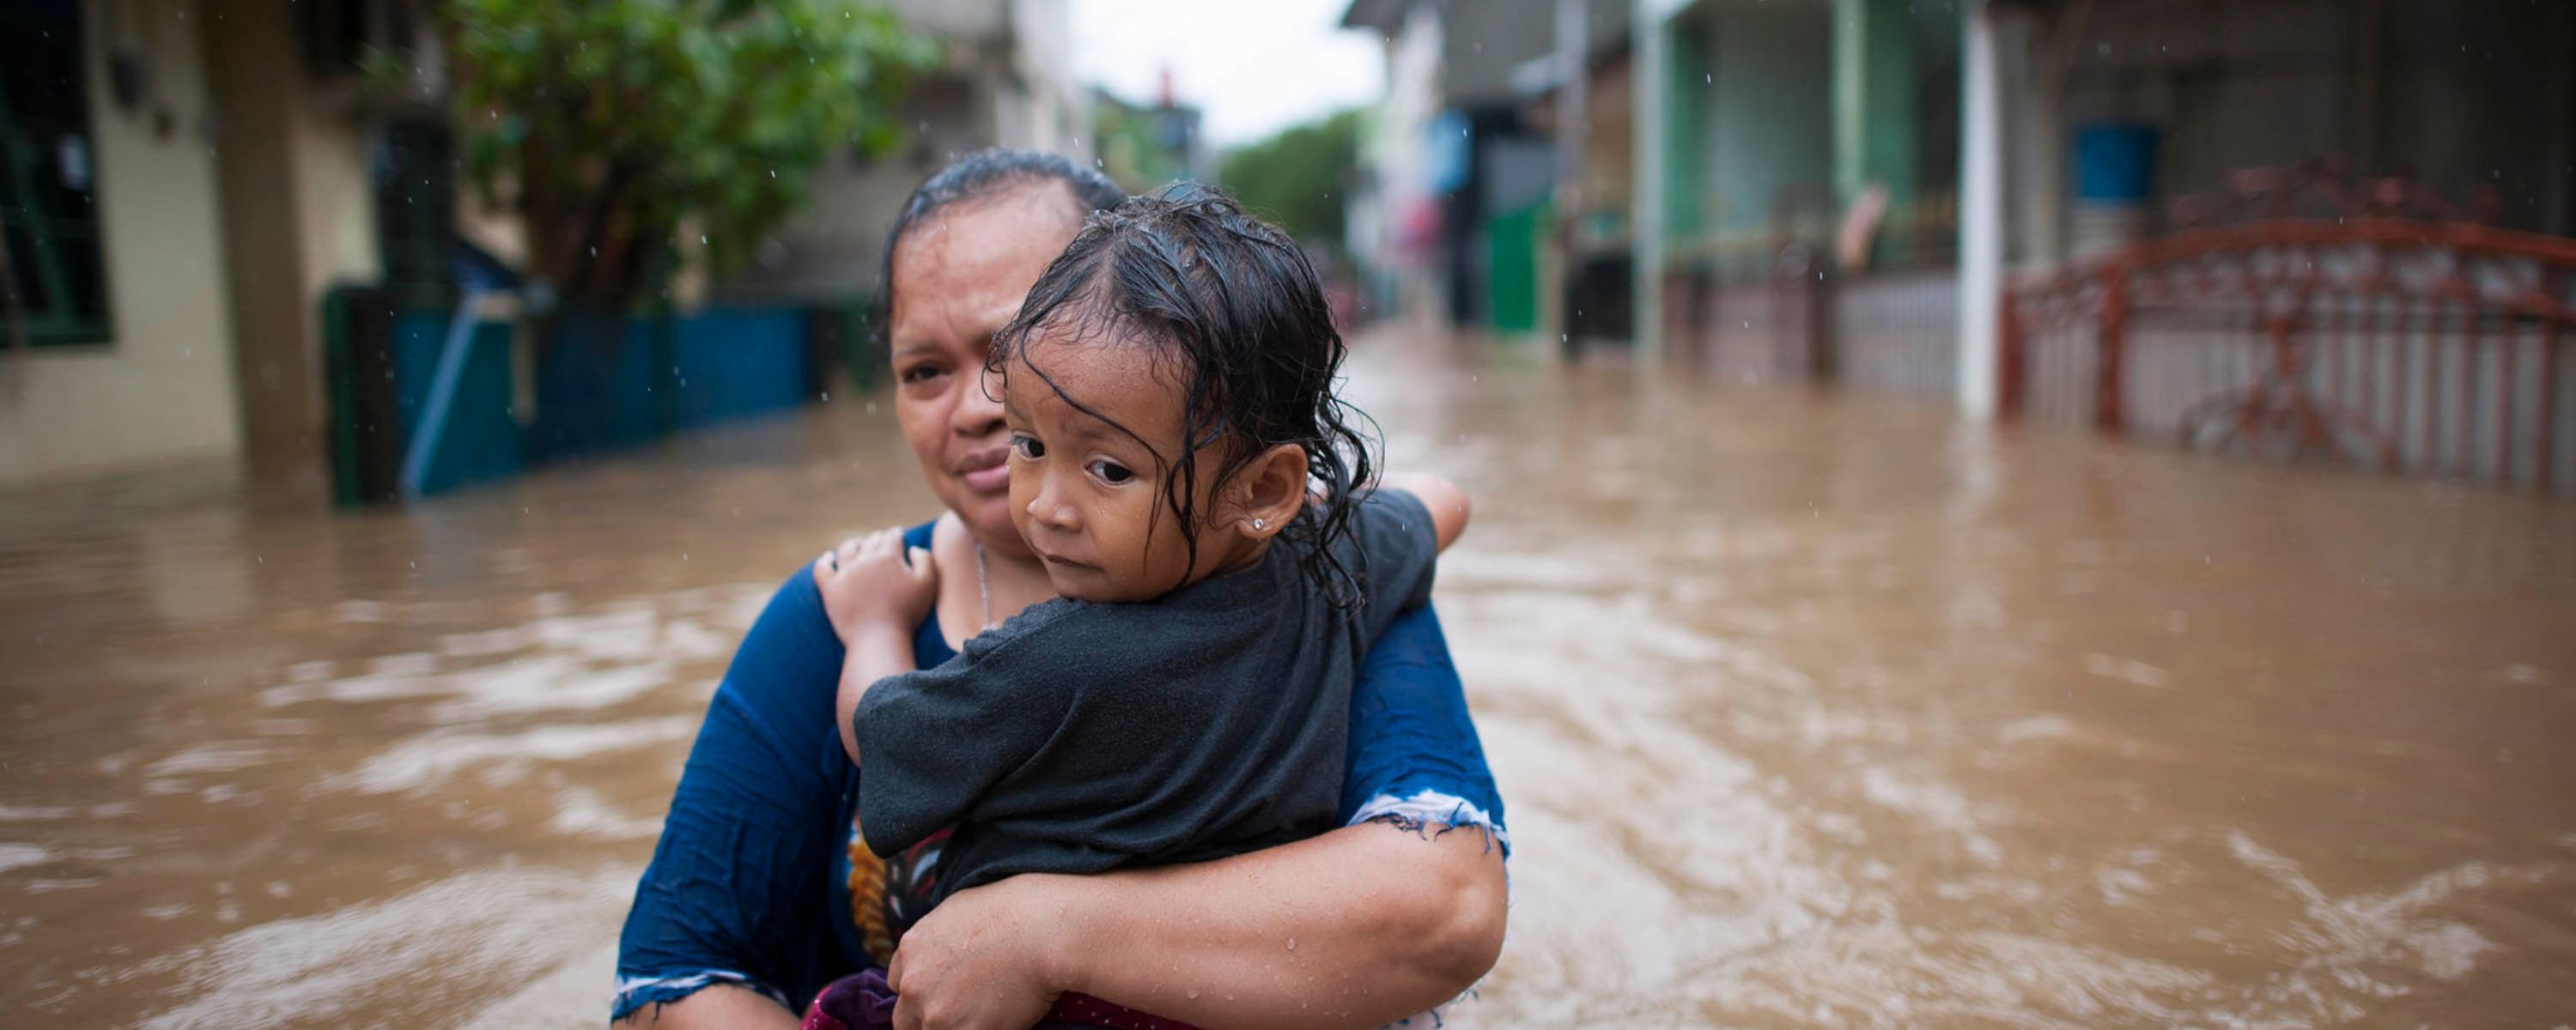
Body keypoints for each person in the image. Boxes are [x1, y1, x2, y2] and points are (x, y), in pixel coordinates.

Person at [611, 151, 1508, 1030]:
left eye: (1010, 351)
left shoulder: (1325, 581)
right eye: (926, 370)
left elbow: (1445, 909)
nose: (976, 407)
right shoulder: (825, 614)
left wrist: (1045, 934)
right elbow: (673, 975)